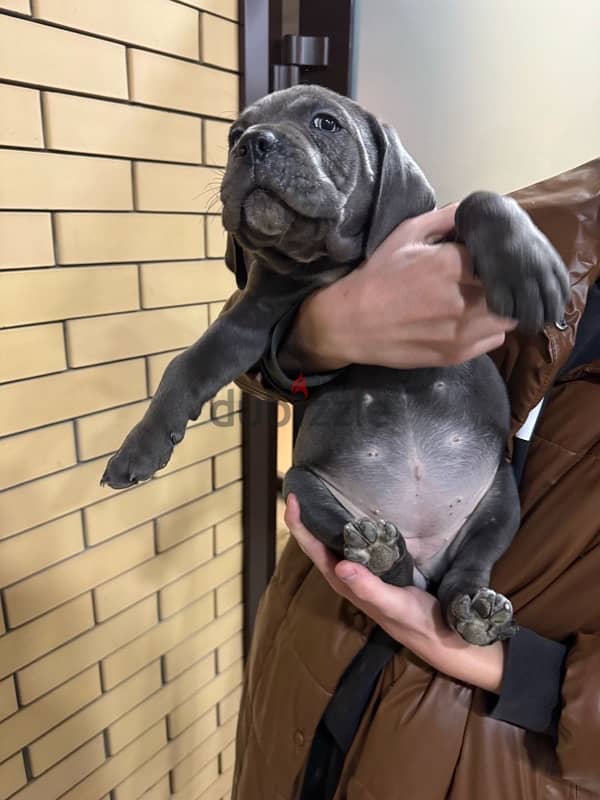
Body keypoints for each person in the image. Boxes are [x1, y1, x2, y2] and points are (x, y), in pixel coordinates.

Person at [230, 158, 600, 799]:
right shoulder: (552, 215)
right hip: (309, 654)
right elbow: (254, 340)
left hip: (489, 756)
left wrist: (512, 668)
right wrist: (315, 336)